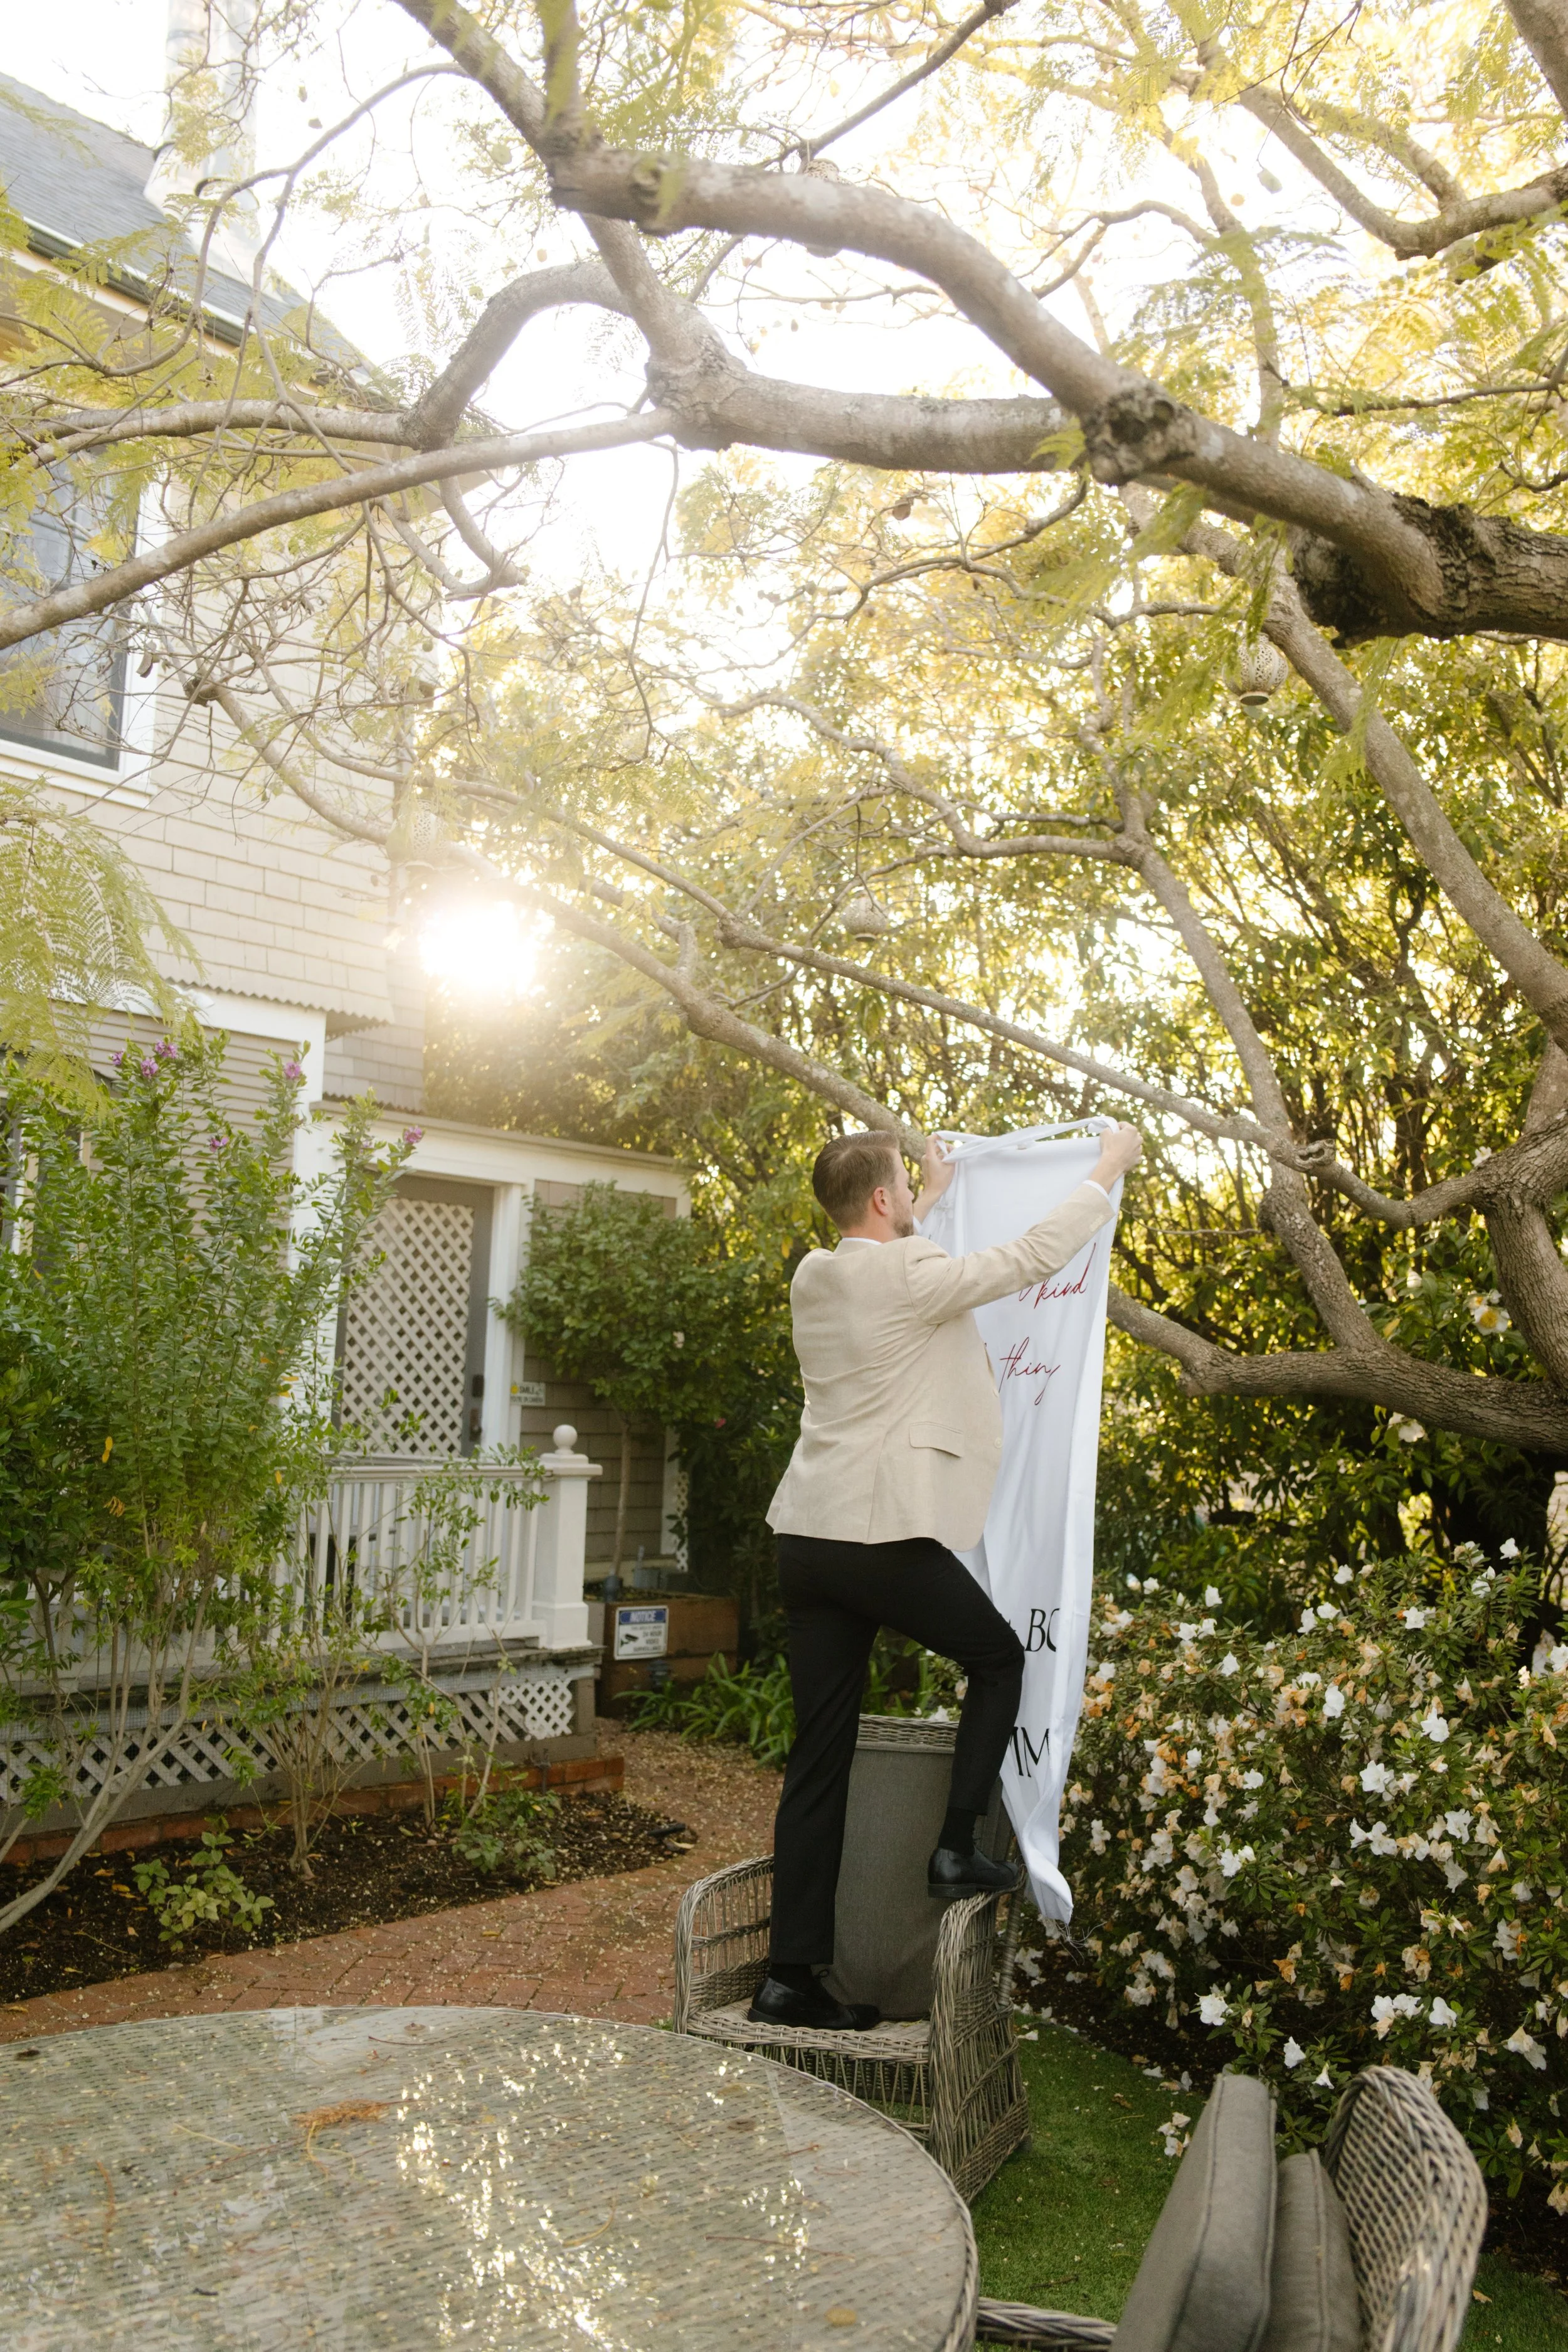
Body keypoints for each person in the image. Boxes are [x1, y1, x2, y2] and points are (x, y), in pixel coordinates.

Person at [749, 1118, 1144, 2032]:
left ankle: (786, 1979)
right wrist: (1105, 1169)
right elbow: (1029, 1256)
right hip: (878, 1535)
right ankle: (956, 1846)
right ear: (884, 1199)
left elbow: (886, 1246)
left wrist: (926, 1189)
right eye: (903, 1189)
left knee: (817, 1760)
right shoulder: (915, 1275)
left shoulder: (816, 1274)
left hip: (806, 1537)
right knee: (999, 1657)